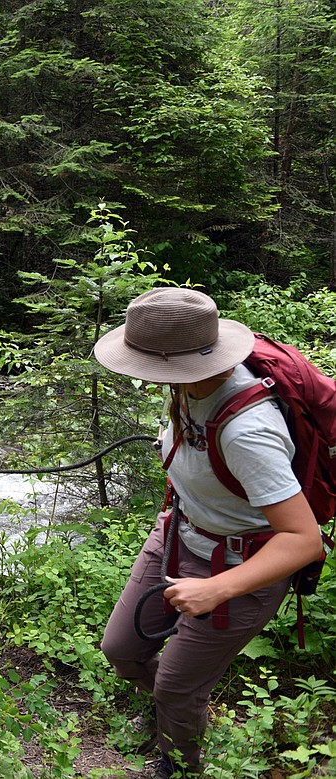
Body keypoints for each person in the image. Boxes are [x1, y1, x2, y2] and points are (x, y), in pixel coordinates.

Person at [93, 287, 323, 778]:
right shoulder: (188, 386)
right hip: (180, 533)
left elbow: (304, 540)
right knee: (121, 649)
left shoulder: (249, 431)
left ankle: (179, 760)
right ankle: (170, 711)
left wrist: (214, 590)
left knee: (177, 686)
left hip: (240, 564)